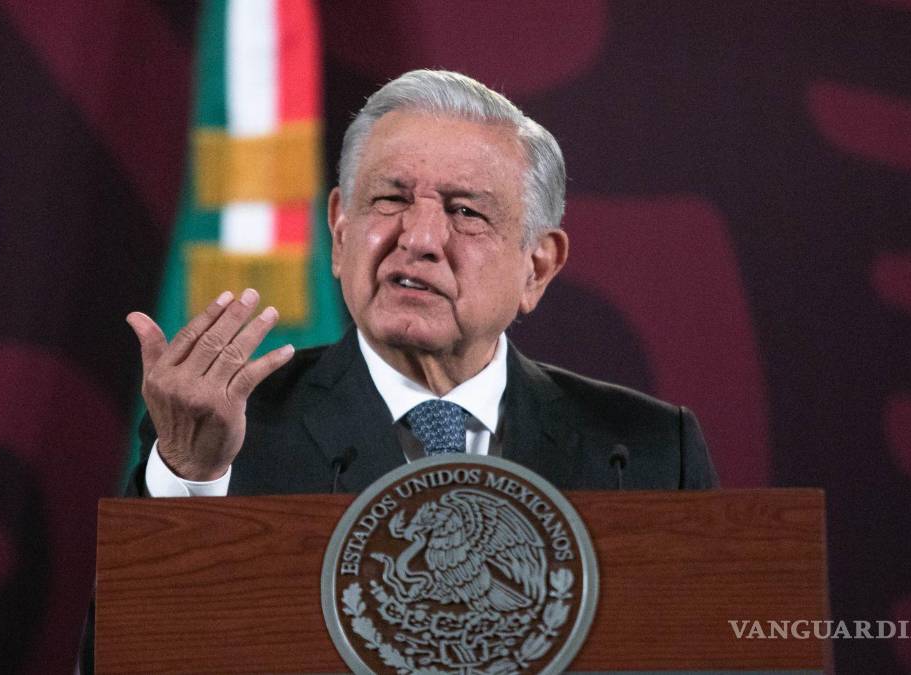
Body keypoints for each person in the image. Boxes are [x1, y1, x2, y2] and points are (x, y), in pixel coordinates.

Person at [123, 69, 718, 497]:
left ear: (537, 267)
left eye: (465, 211)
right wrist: (191, 478)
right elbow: (124, 637)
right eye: (390, 199)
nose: (420, 238)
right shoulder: (220, 433)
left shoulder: (649, 453)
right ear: (340, 232)